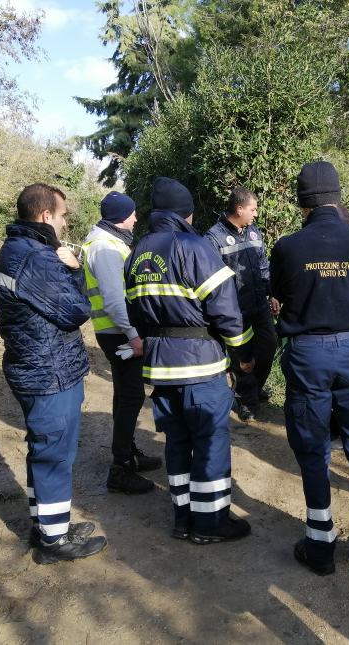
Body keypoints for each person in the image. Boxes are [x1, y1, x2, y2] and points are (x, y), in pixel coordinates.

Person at [270, 161, 349, 575]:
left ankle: (320, 547)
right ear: (338, 196)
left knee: (313, 448)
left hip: (308, 354)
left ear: (302, 202)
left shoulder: (288, 247)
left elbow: (280, 295)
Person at [124, 177, 255, 544]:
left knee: (177, 443)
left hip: (161, 369)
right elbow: (225, 310)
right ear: (188, 214)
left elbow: (134, 312)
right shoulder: (193, 246)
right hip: (200, 367)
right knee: (211, 442)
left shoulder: (136, 253)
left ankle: (183, 518)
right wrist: (242, 353)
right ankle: (211, 524)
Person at [0, 183, 107, 564]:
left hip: (35, 367)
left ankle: (48, 525)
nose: (64, 222)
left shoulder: (15, 250)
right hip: (49, 373)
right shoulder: (37, 258)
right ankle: (54, 543)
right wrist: (73, 271)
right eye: (62, 215)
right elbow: (75, 311)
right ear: (45, 216)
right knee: (54, 455)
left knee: (43, 451)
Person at [81, 191, 163, 494]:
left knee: (125, 394)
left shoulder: (109, 242)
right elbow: (116, 299)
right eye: (131, 213)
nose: (136, 217)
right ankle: (120, 469)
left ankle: (128, 454)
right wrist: (133, 334)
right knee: (130, 396)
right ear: (119, 217)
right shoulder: (104, 248)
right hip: (118, 333)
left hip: (116, 332)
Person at [205, 187, 278, 421]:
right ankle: (246, 400)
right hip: (235, 312)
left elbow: (263, 265)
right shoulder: (213, 237)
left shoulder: (253, 232)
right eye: (253, 209)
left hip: (260, 305)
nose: (256, 214)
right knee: (242, 358)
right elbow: (213, 280)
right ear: (239, 209)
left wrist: (272, 294)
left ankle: (254, 388)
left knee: (268, 347)